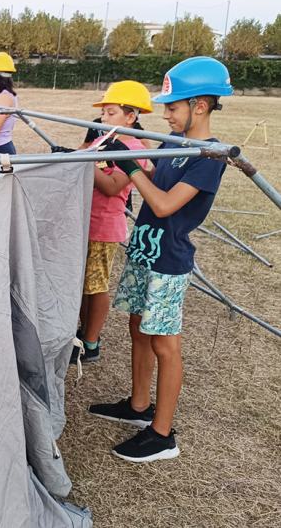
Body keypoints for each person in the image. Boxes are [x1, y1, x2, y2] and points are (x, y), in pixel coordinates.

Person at [89, 57, 234, 463]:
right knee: (138, 326)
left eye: (172, 107)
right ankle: (138, 407)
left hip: (168, 260)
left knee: (164, 343)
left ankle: (162, 433)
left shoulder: (209, 157)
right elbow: (152, 177)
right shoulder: (173, 143)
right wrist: (121, 156)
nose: (166, 113)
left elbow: (165, 204)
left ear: (200, 106)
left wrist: (131, 165)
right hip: (145, 247)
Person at [69, 81, 153, 365]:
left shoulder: (133, 148)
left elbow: (112, 186)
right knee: (82, 284)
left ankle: (91, 342)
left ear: (131, 116)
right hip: (85, 222)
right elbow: (87, 160)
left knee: (97, 286)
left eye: (111, 112)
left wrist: (85, 163)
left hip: (105, 227)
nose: (104, 118)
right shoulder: (103, 140)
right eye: (104, 113)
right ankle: (81, 333)